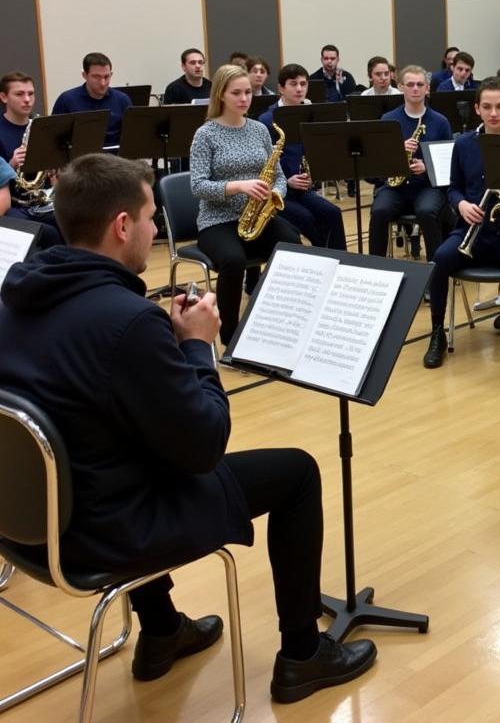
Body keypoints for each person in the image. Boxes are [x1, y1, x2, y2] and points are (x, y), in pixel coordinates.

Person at [0, 154, 376, 703]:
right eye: (152, 219)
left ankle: (162, 630)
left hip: (28, 520)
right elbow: (203, 446)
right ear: (122, 226)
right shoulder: (124, 321)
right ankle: (302, 656)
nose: (157, 230)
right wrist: (197, 345)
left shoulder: (16, 294)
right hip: (100, 531)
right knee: (296, 472)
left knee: (133, 444)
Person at [422, 78, 500, 373]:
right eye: (487, 107)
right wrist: (462, 205)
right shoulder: (464, 144)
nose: (494, 113)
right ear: (477, 108)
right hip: (471, 233)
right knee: (440, 258)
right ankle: (437, 332)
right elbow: (452, 188)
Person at [190, 64, 300, 345]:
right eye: (236, 93)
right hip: (217, 220)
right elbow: (198, 186)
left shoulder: (259, 129)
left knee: (291, 242)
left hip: (256, 215)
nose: (244, 98)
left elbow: (277, 175)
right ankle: (230, 337)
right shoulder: (206, 134)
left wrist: (275, 194)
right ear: (221, 95)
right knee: (233, 260)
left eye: (248, 92)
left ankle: (270, 316)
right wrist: (238, 186)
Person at [258, 64, 346, 252]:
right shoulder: (267, 120)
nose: (299, 89)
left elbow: (319, 151)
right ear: (281, 88)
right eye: (293, 84)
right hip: (277, 193)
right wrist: (286, 181)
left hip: (302, 190)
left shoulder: (310, 115)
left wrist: (314, 172)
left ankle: (340, 263)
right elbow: (261, 163)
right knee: (306, 218)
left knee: (333, 212)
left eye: (303, 84)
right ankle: (326, 259)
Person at [368, 65, 452, 260]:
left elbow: (448, 165)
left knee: (427, 211)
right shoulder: (388, 120)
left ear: (427, 88)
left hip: (427, 187)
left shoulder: (440, 122)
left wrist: (426, 167)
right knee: (379, 211)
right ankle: (375, 268)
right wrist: (398, 152)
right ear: (401, 87)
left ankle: (435, 270)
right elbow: (378, 164)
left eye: (420, 84)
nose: (415, 89)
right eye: (410, 84)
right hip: (395, 187)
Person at [0, 72, 62, 246]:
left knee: (78, 217)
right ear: (4, 97)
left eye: (31, 94)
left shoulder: (42, 127)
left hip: (43, 198)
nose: (27, 99)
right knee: (48, 232)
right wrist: (11, 164)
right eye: (19, 94)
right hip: (14, 204)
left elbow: (55, 179)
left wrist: (54, 166)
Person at [52, 52, 133, 147]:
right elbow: (55, 140)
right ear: (84, 75)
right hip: (81, 159)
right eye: (96, 77)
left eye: (107, 77)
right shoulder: (66, 100)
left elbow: (132, 137)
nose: (103, 83)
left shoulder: (122, 100)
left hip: (116, 159)